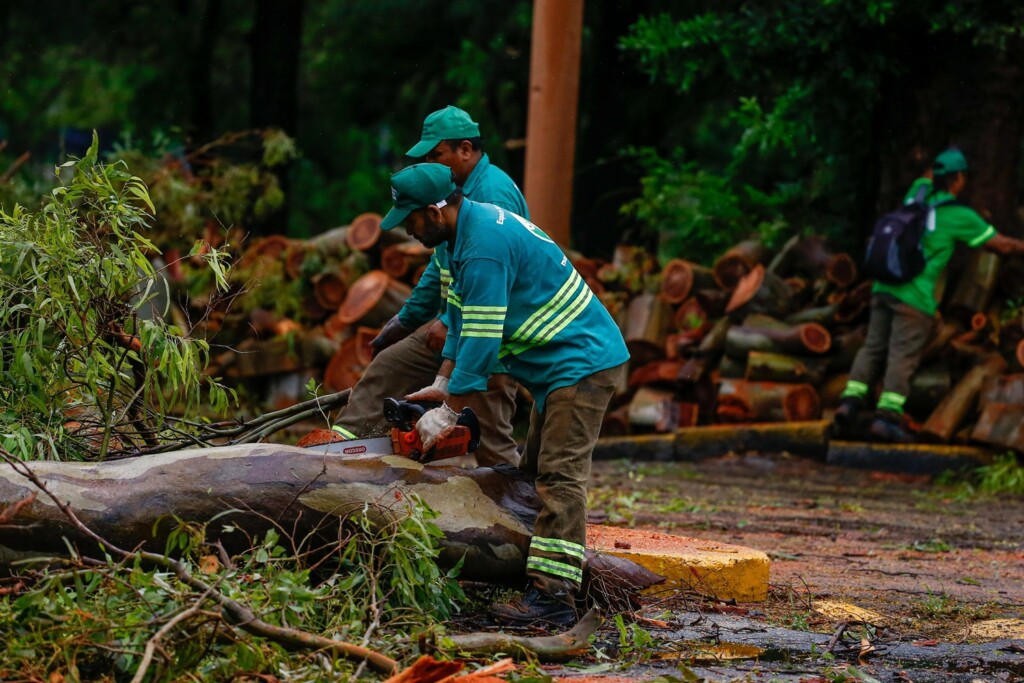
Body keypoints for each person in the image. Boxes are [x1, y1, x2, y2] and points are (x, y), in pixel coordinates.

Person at [380, 162, 629, 626]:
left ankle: (554, 600)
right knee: (532, 475)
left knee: (558, 480)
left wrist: (450, 410)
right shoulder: (458, 241)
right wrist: (441, 381)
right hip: (556, 367)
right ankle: (530, 573)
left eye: (411, 219)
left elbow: (482, 335)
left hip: (580, 361)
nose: (408, 230)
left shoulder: (483, 250)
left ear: (436, 212)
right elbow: (457, 316)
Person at [331, 106, 527, 467]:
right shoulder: (448, 195)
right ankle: (337, 453)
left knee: (484, 425)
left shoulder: (490, 194)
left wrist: (450, 331)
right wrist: (407, 320)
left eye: (437, 155)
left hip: (491, 326)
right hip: (457, 315)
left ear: (465, 150)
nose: (432, 164)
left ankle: (516, 506)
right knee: (390, 366)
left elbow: (489, 289)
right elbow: (441, 268)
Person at [833, 148, 1024, 442]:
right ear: (959, 179)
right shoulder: (959, 215)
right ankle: (887, 418)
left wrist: (937, 166)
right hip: (915, 297)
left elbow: (926, 177)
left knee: (872, 348)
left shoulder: (916, 195)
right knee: (902, 355)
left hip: (883, 287)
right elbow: (1001, 247)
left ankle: (849, 404)